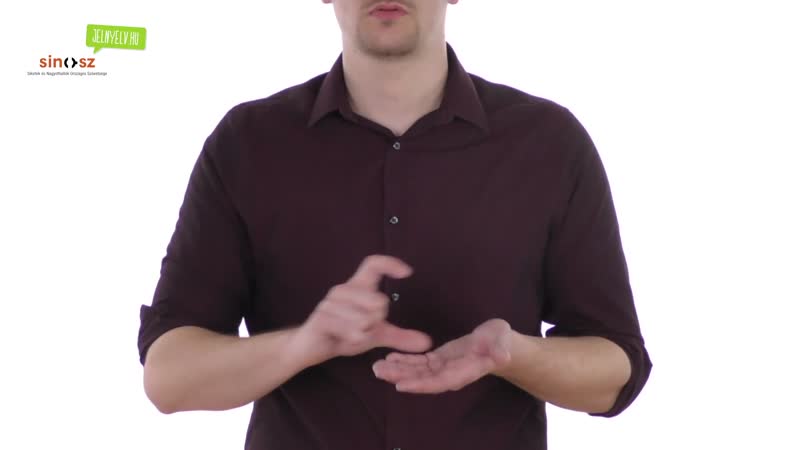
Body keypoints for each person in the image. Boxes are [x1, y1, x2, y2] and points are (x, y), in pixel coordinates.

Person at [137, 1, 653, 449]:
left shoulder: (549, 145)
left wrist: (513, 354)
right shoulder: (247, 144)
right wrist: (301, 344)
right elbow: (168, 377)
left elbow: (614, 371)